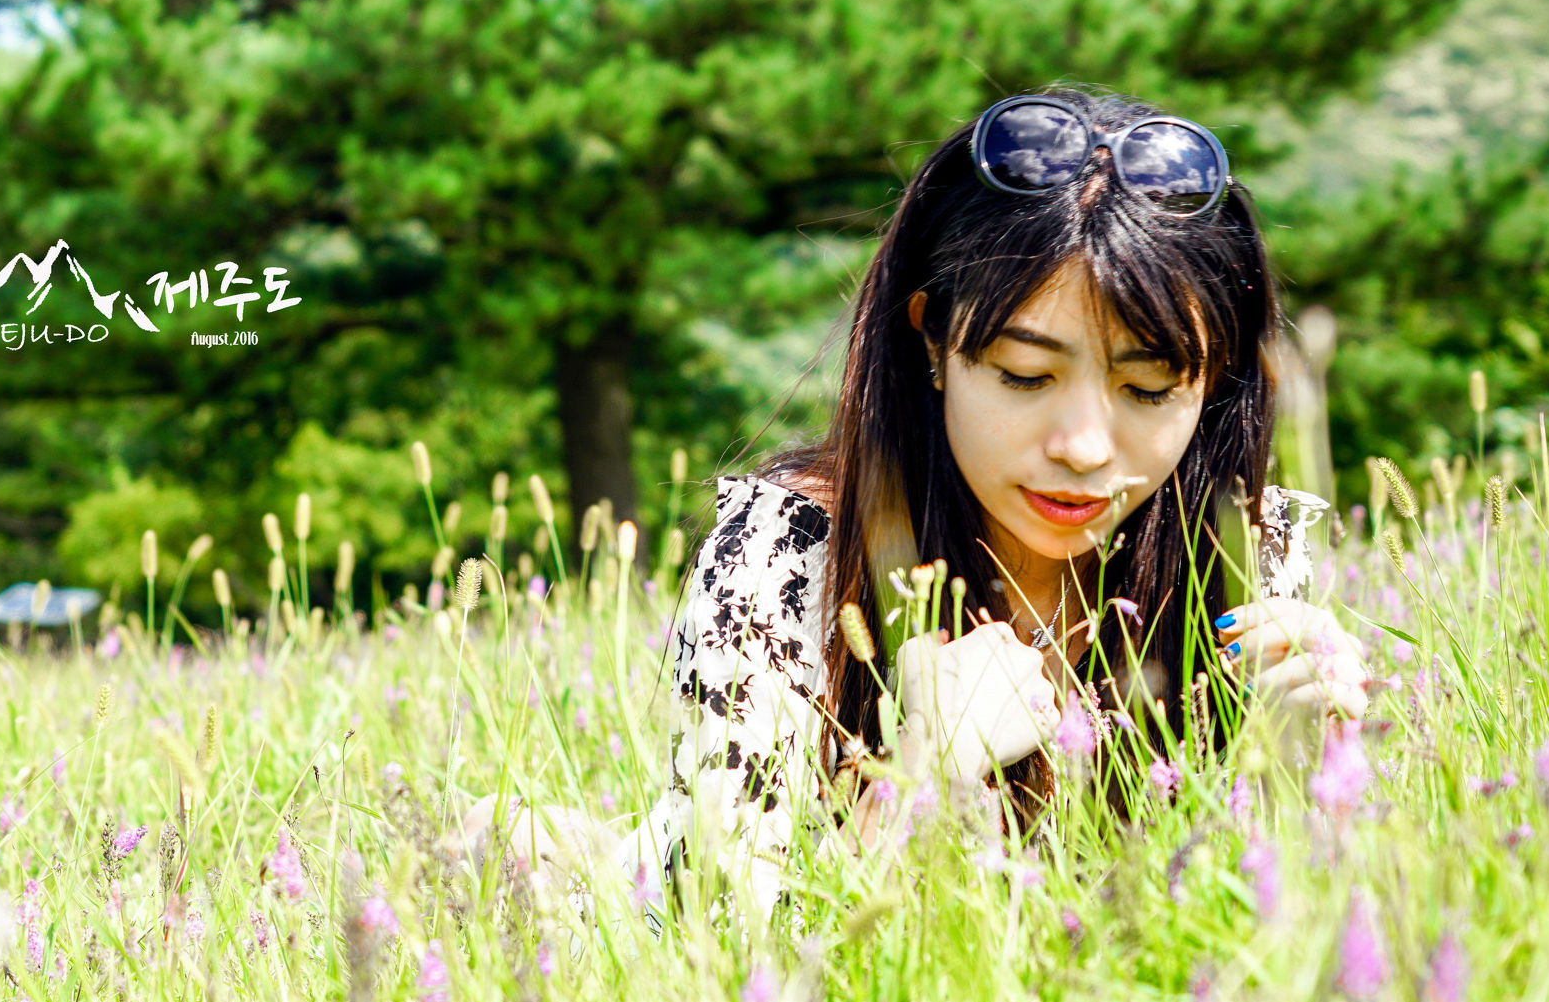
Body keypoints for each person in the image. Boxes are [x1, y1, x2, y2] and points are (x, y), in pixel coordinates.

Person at [464, 86, 1366, 913]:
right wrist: (918, 777)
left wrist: (1294, 781)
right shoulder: (787, 556)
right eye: (1024, 374)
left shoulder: (1241, 554)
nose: (1086, 447)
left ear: (1214, 384)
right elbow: (724, 941)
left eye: (1149, 388)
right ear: (932, 340)